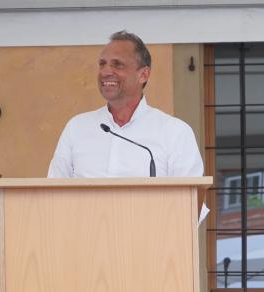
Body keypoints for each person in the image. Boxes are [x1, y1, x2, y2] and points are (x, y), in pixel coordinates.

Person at [48, 30, 204, 180]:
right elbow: (53, 194)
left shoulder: (175, 133)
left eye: (117, 65)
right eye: (102, 64)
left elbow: (190, 201)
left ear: (143, 75)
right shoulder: (77, 128)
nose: (105, 72)